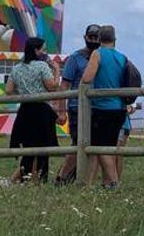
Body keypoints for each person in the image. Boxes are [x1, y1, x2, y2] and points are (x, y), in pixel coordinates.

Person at [4, 38, 61, 184]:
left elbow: (9, 90)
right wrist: (56, 69)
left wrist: (23, 92)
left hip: (25, 110)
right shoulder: (42, 66)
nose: (45, 52)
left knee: (29, 147)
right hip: (41, 110)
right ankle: (34, 179)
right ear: (36, 50)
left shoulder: (17, 68)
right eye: (43, 49)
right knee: (41, 147)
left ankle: (24, 179)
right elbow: (52, 86)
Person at [54, 24, 101, 186]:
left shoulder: (102, 57)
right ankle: (62, 176)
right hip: (76, 107)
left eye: (96, 38)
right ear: (85, 38)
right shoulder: (75, 58)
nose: (93, 41)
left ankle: (81, 179)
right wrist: (61, 110)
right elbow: (64, 85)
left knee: (92, 145)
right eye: (91, 38)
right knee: (77, 143)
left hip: (96, 107)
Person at [81, 25, 127, 188]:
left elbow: (87, 78)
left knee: (101, 147)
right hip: (119, 108)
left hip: (103, 107)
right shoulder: (122, 57)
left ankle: (114, 182)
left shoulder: (98, 53)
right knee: (110, 145)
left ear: (99, 40)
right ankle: (108, 183)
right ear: (115, 40)